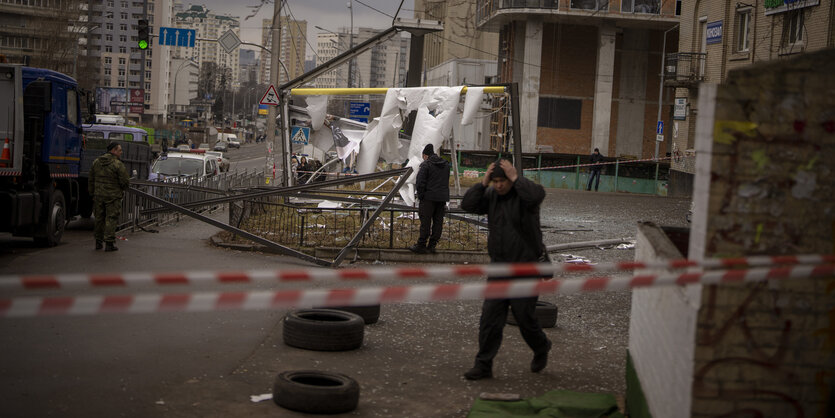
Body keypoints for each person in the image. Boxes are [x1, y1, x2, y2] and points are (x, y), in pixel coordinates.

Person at [460, 159, 552, 380]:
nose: (499, 185)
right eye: (496, 181)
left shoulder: (525, 197)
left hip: (525, 268)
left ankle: (541, 347)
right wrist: (483, 184)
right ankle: (483, 365)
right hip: (499, 268)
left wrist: (516, 178)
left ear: (510, 179)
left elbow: (537, 195)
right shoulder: (491, 195)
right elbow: (468, 205)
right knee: (490, 319)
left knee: (524, 318)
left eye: (503, 181)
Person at [409, 144, 450, 254]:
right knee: (438, 222)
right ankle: (432, 246)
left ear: (425, 155)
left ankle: (421, 245)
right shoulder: (445, 165)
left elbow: (420, 183)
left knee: (425, 222)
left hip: (428, 198)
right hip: (441, 199)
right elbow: (446, 181)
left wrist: (421, 196)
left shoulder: (426, 165)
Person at [89, 142, 130, 252]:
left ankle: (98, 242)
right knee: (111, 219)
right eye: (120, 150)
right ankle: (109, 243)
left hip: (98, 195)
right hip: (113, 196)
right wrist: (122, 189)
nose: (121, 152)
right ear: (114, 150)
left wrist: (92, 193)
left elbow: (91, 179)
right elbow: (125, 181)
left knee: (99, 218)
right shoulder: (117, 164)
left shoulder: (96, 162)